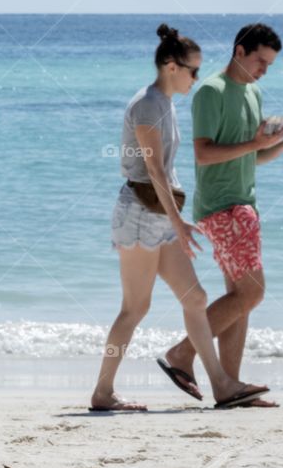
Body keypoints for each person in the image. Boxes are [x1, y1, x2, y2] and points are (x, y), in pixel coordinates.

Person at [90, 24, 271, 412]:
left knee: (197, 298)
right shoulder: (147, 106)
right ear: (171, 67)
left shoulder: (165, 102)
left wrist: (174, 221)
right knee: (135, 309)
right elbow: (153, 172)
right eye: (193, 70)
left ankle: (220, 384)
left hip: (160, 216)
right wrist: (177, 222)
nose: (196, 78)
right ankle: (103, 392)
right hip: (140, 215)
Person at [161, 23, 283, 408]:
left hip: (243, 204)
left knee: (239, 297)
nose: (264, 69)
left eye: (270, 64)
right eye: (260, 60)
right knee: (253, 292)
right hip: (224, 206)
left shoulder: (254, 92)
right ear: (239, 52)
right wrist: (256, 142)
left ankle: (229, 387)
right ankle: (181, 353)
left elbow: (252, 155)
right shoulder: (211, 91)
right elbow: (203, 154)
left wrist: (280, 145)